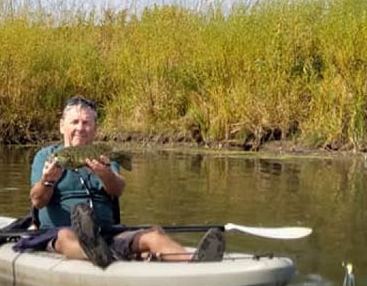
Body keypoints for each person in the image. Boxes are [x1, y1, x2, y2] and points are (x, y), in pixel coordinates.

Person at [28, 95, 225, 268]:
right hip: (62, 233)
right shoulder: (47, 156)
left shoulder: (102, 155)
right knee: (65, 238)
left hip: (108, 233)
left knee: (153, 235)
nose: (81, 128)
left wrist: (104, 173)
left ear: (95, 128)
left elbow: (117, 189)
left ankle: (195, 262)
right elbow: (38, 201)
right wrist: (48, 181)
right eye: (75, 122)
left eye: (86, 123)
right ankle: (102, 254)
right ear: (62, 125)